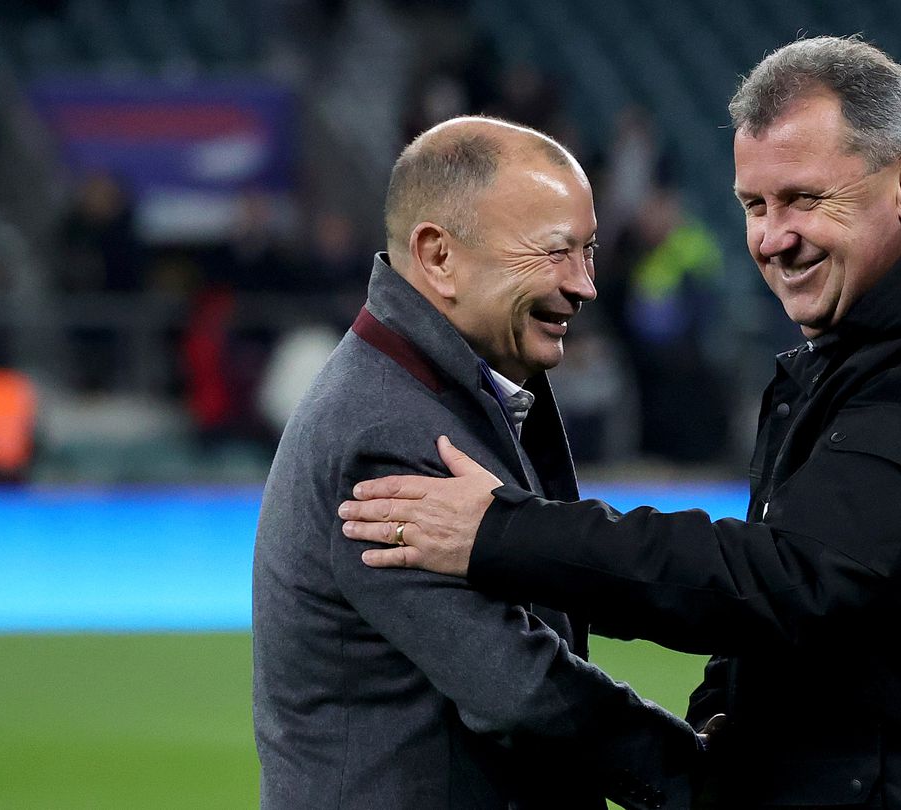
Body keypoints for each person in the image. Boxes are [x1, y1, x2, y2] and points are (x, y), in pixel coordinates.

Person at [340, 38, 901, 809]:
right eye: (753, 204)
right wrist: (728, 711)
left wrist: (506, 536)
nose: (774, 238)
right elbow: (828, 597)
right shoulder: (868, 344)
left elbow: (798, 580)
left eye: (805, 199)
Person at [253, 116, 698, 810]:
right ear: (438, 257)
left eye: (589, 252)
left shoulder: (443, 388)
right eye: (555, 252)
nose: (585, 285)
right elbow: (516, 687)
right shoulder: (390, 429)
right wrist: (699, 780)